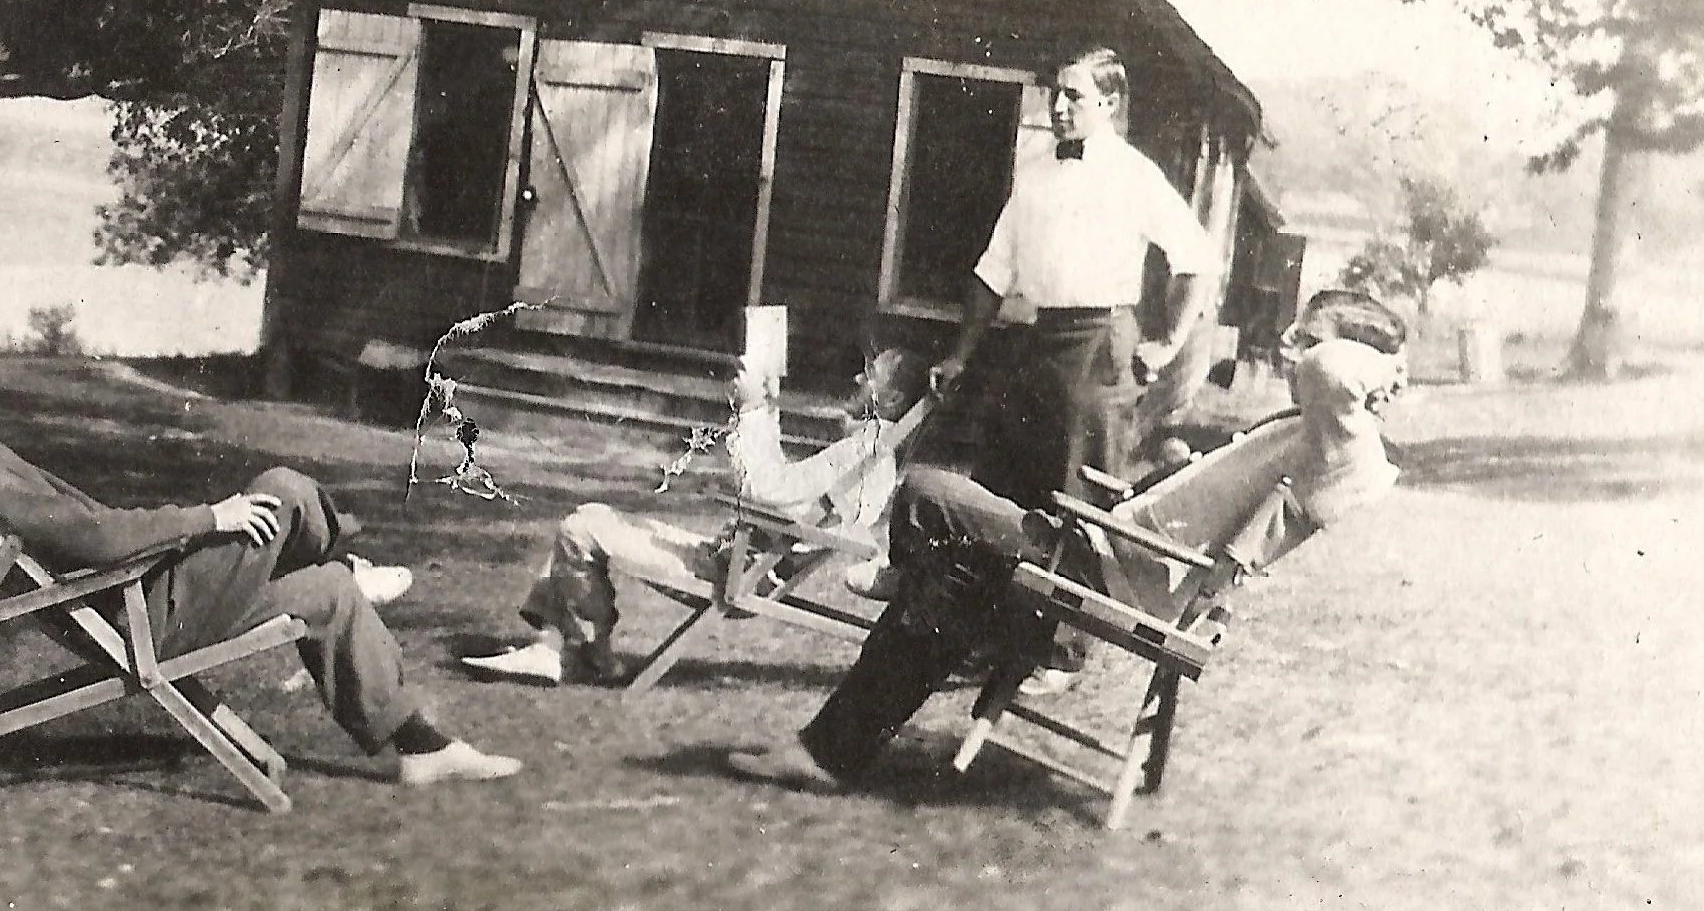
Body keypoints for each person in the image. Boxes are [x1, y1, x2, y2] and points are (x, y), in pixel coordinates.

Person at [726, 295, 1407, 792]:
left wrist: (1381, 364)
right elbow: (1326, 377)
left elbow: (1332, 373)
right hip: (1111, 554)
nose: (1292, 345)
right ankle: (826, 749)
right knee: (951, 587)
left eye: (1308, 337)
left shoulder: (1338, 440)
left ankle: (844, 711)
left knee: (927, 490)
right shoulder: (1312, 430)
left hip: (1106, 568)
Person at [0, 329, 520, 785]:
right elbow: (94, 539)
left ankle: (421, 748)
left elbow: (91, 529)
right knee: (283, 491)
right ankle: (345, 555)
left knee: (327, 592)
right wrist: (208, 520)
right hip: (139, 612)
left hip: (136, 599)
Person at [844, 46, 1219, 688]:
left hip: (1101, 345)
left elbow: (1195, 258)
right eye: (1056, 93)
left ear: (1109, 103)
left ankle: (1063, 652)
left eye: (1075, 95)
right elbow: (994, 270)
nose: (1061, 105)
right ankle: (982, 629)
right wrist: (960, 353)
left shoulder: (1133, 175)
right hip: (1040, 342)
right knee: (1004, 483)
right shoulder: (1035, 174)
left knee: (1079, 496)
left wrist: (1164, 342)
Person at [456, 345, 931, 686]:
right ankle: (563, 649)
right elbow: (792, 495)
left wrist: (752, 409)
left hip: (733, 571)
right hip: (742, 561)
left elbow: (765, 489)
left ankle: (574, 650)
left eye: (869, 373)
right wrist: (770, 410)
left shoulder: (862, 454)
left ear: (888, 401)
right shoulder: (870, 454)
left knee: (579, 527)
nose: (856, 379)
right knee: (590, 516)